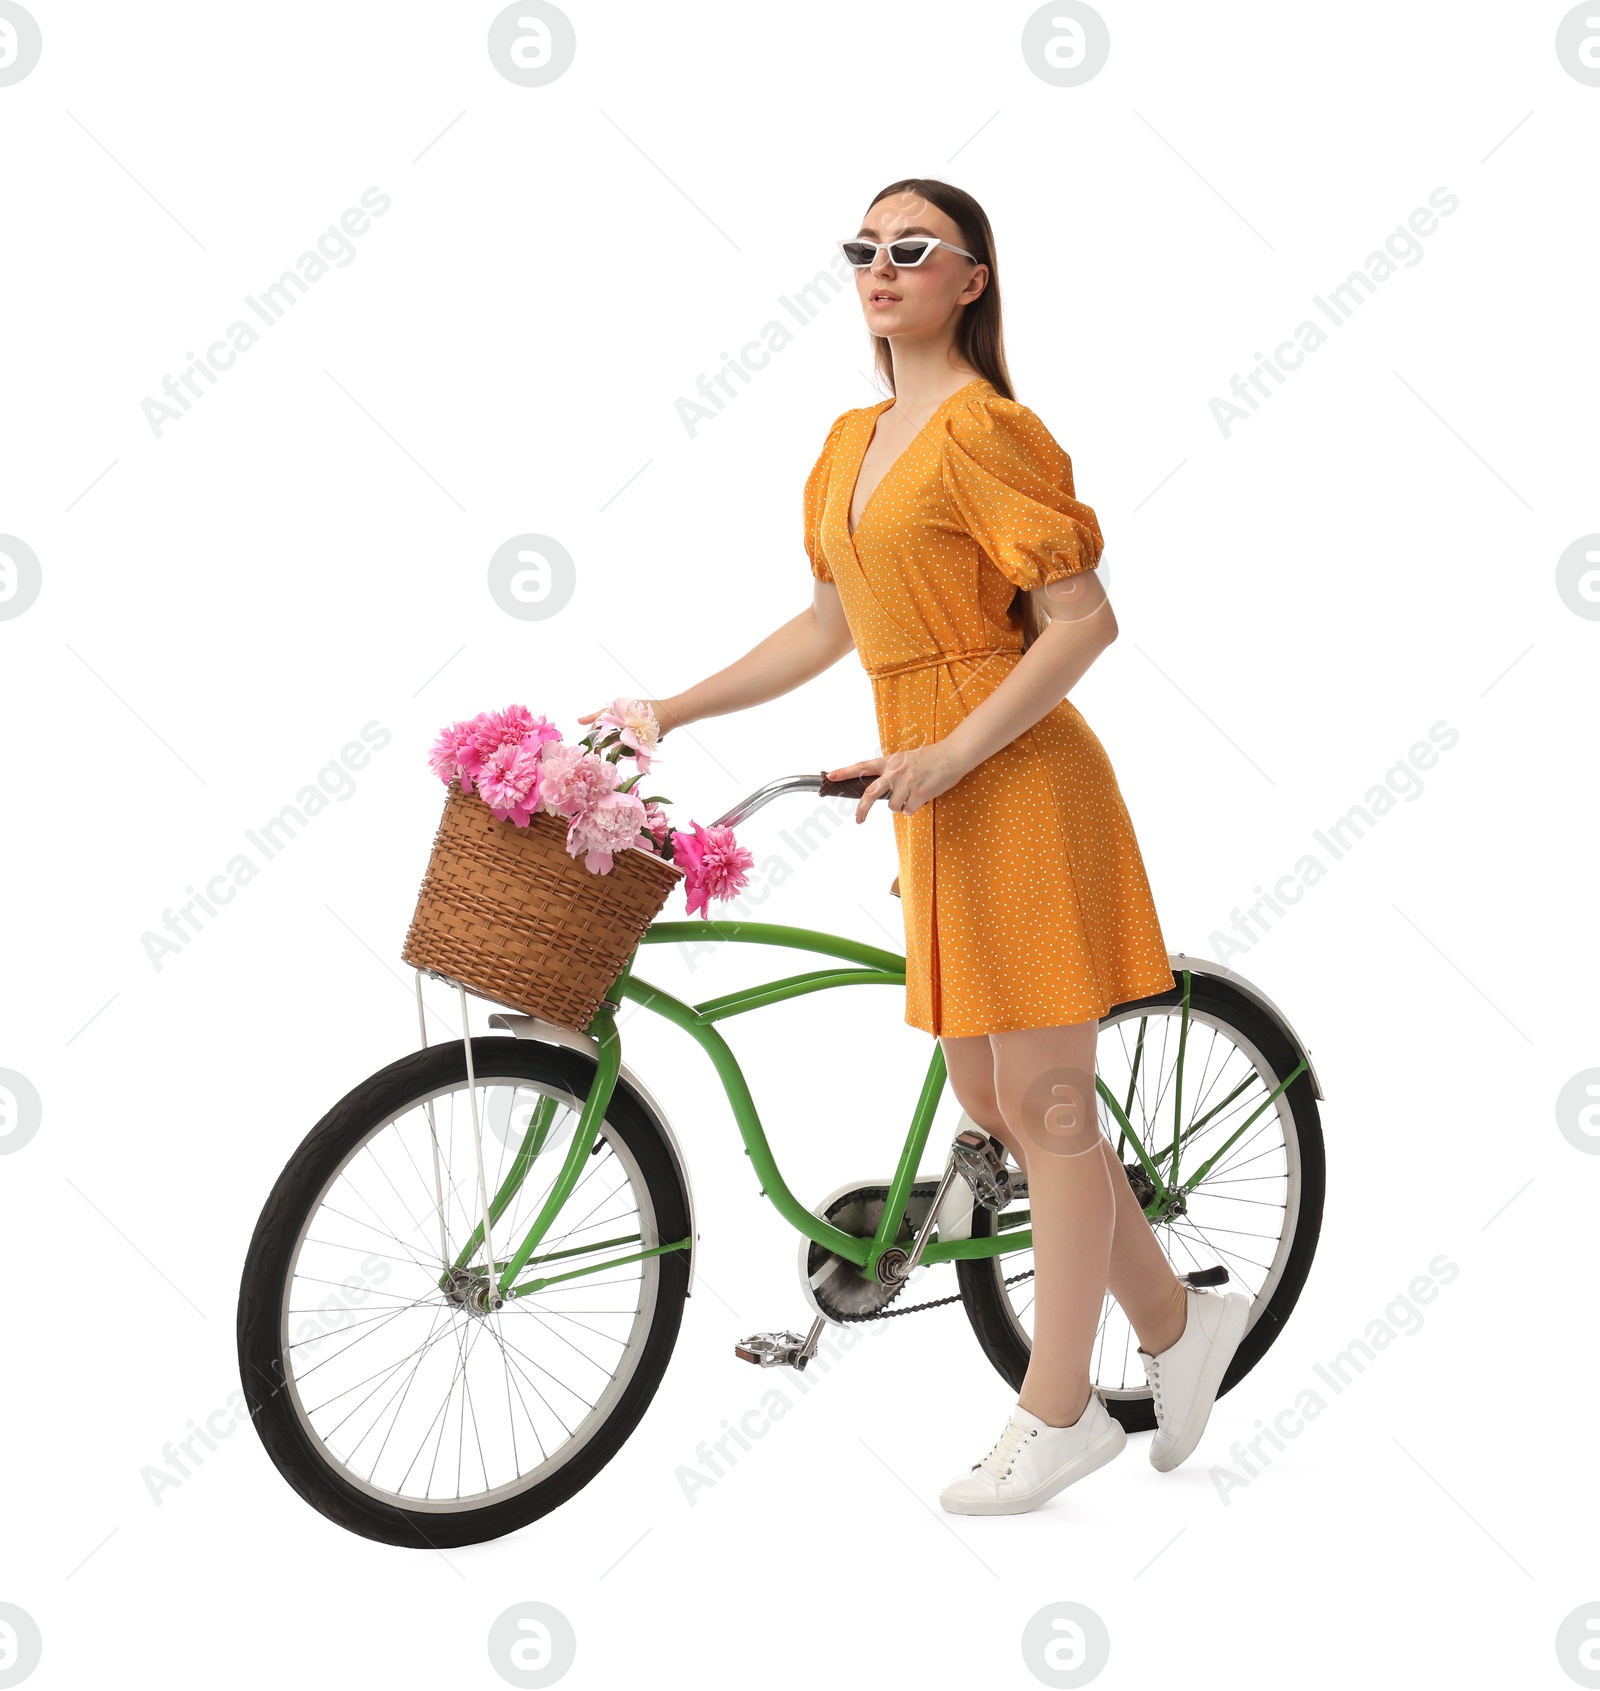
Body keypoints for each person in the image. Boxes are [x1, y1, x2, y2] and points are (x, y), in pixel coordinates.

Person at [581, 177, 1248, 1515]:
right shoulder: (849, 441)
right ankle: (1180, 1327)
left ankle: (1058, 1415)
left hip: (1020, 782)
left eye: (912, 250)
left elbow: (1081, 620)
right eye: (865, 250)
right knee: (997, 1103)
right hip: (935, 795)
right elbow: (828, 628)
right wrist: (671, 704)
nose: (880, 270)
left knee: (1050, 1107)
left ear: (970, 279)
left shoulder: (989, 433)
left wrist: (955, 748)